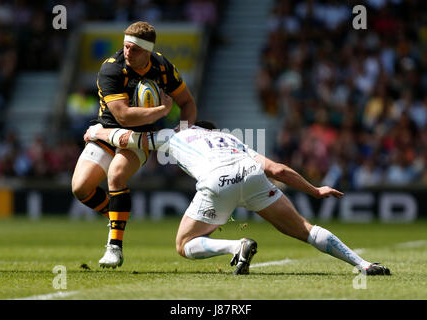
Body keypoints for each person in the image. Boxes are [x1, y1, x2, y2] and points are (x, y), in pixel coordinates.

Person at [83, 121, 391, 276]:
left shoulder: (174, 135)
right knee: (304, 229)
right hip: (250, 173)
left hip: (217, 181)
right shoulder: (231, 139)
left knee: (183, 244)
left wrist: (98, 131)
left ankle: (236, 246)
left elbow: (127, 139)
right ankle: (363, 264)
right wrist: (315, 190)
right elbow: (277, 169)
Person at [71, 21, 197, 268]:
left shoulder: (162, 68)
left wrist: (183, 132)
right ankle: (117, 215)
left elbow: (188, 103)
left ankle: (114, 248)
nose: (127, 52)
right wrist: (162, 111)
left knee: (116, 175)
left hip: (139, 138)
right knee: (80, 188)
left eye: (135, 49)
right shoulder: (111, 69)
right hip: (107, 131)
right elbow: (123, 116)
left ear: (148, 51)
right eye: (125, 46)